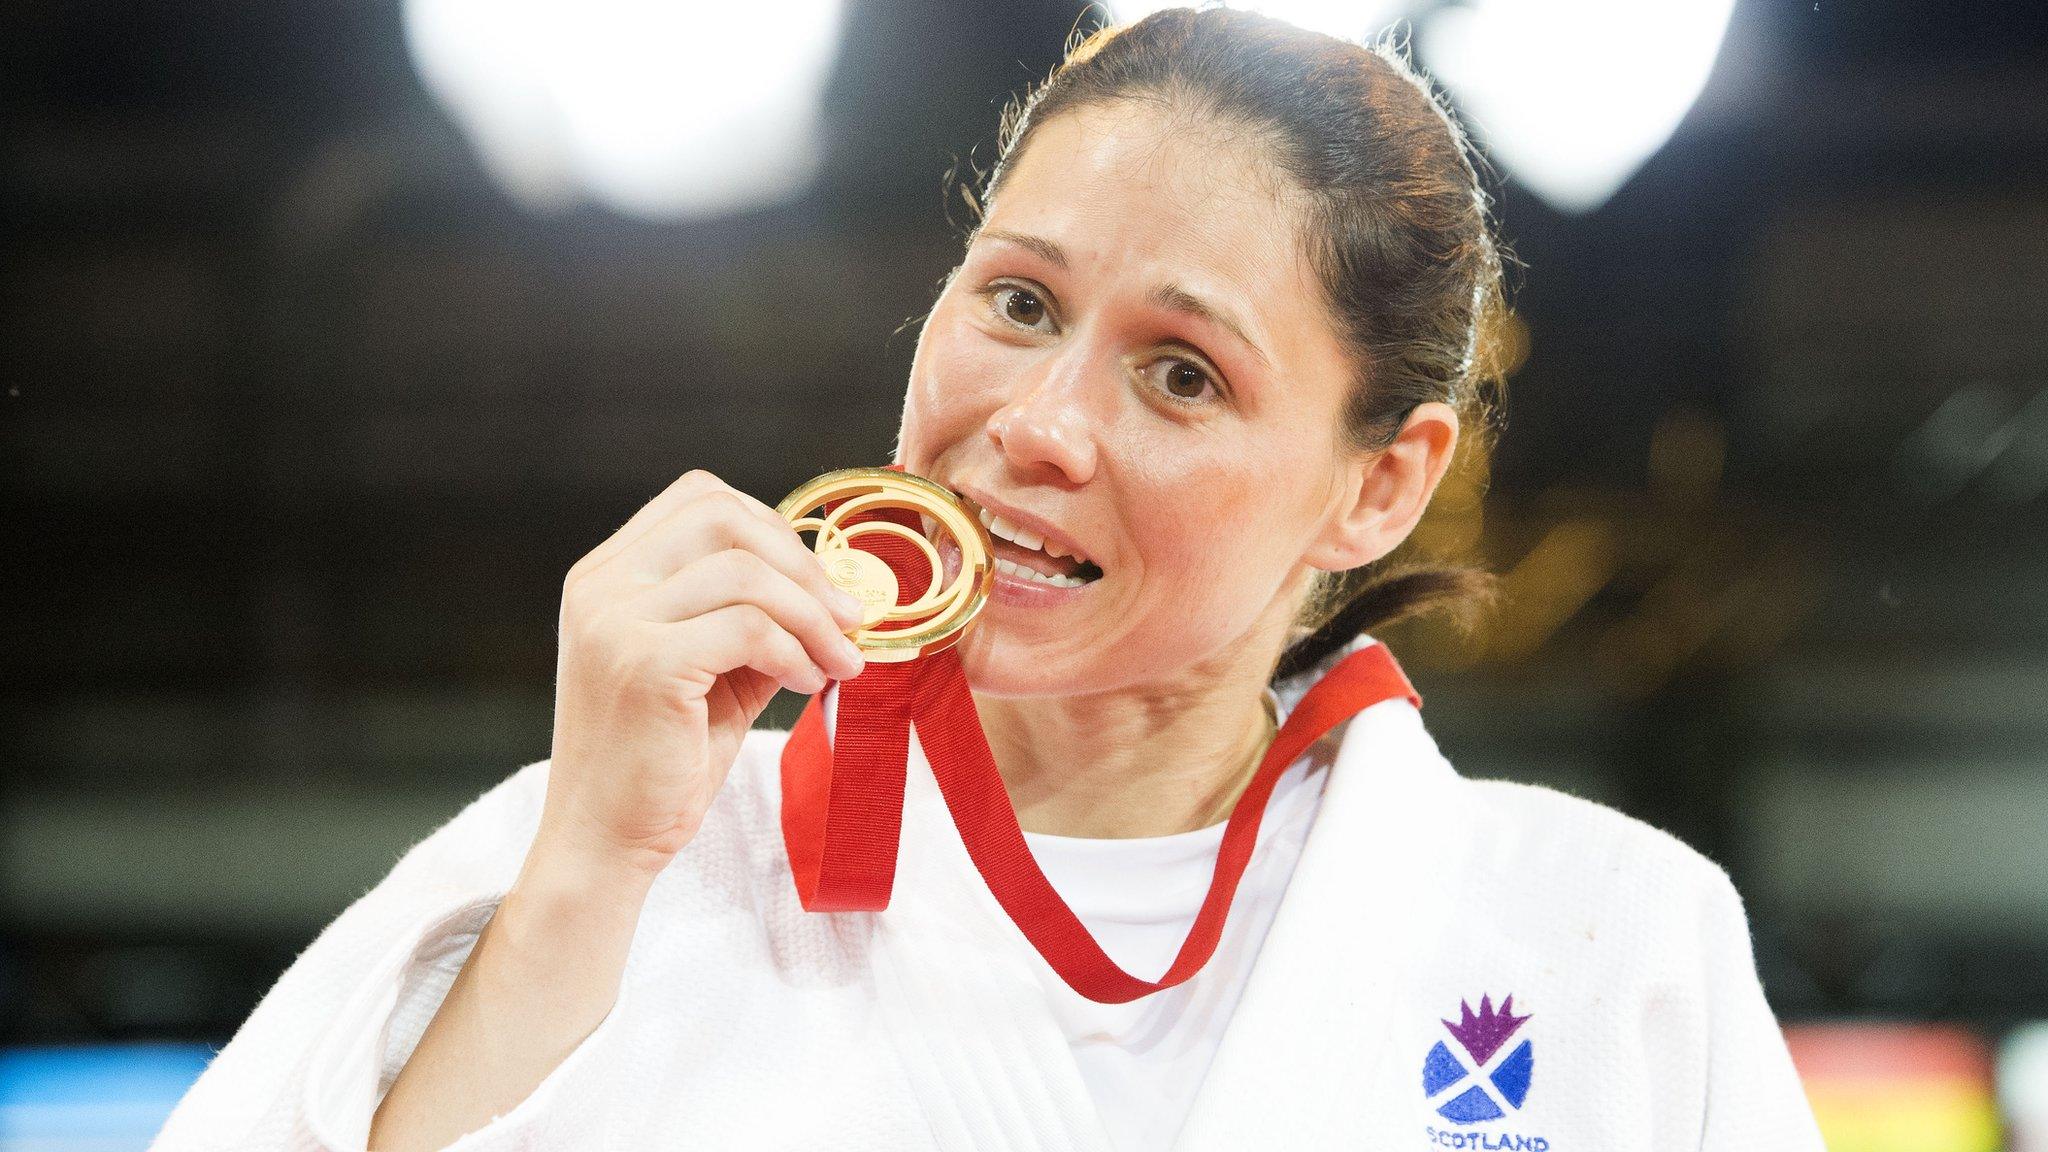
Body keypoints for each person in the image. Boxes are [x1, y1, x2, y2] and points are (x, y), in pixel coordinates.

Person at [152, 9, 1823, 1151]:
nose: (1036, 425)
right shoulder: (582, 847)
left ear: (1379, 487)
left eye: (1182, 374)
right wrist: (596, 863)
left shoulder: (1609, 937)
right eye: (1018, 304)